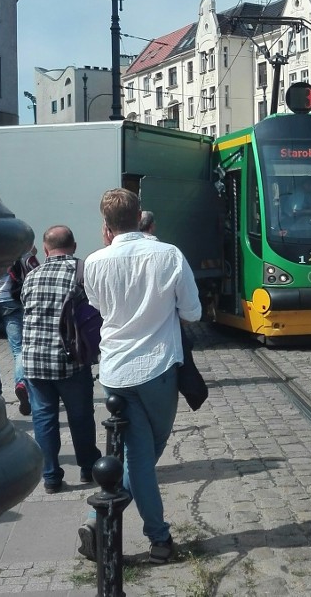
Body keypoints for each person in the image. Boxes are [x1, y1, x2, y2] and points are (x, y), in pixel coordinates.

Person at [78, 188, 202, 565]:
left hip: (115, 371)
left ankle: (104, 523)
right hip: (158, 369)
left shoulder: (95, 261)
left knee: (138, 454)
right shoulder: (168, 255)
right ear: (140, 217)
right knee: (146, 454)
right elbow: (193, 312)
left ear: (106, 225)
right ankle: (155, 537)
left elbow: (99, 305)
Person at [20, 226, 102, 494]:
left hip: (33, 360)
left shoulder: (31, 276)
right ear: (75, 245)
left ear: (45, 249)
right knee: (80, 415)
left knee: (44, 418)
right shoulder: (81, 271)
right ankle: (89, 466)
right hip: (69, 358)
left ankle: (51, 476)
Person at [0, 246, 39, 415]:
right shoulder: (9, 241)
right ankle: (21, 383)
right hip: (10, 299)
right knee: (18, 348)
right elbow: (33, 251)